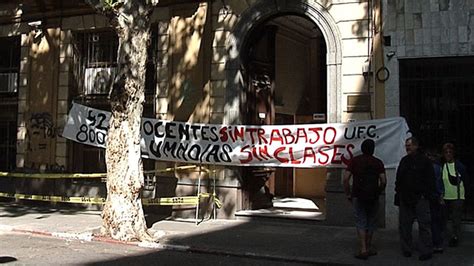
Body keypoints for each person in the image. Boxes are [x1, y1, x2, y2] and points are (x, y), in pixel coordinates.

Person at [343, 139, 386, 260]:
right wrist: (378, 191)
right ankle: (368, 246)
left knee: (361, 221)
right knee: (371, 221)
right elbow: (384, 180)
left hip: (358, 195)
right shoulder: (378, 162)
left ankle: (363, 249)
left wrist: (348, 193)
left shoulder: (355, 161)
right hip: (373, 196)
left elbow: (345, 178)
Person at [395, 137, 436, 261]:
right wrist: (399, 193)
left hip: (420, 198)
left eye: (410, 145)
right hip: (405, 198)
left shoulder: (425, 161)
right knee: (405, 225)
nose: (407, 147)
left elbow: (430, 180)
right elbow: (399, 178)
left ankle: (426, 250)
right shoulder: (404, 161)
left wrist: (427, 195)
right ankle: (407, 248)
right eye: (406, 145)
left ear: (416, 146)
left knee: (424, 225)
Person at [440, 142, 470, 247]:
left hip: (457, 196)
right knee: (444, 218)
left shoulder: (459, 166)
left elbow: (466, 181)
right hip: (446, 196)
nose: (448, 154)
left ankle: (455, 237)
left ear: (453, 153)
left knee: (456, 219)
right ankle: (445, 236)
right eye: (446, 152)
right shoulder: (442, 166)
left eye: (450, 152)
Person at [426, 149, 444, 253]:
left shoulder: (432, 168)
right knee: (437, 220)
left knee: (433, 220)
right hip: (436, 196)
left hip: (432, 196)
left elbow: (437, 183)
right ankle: (438, 243)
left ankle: (436, 243)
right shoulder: (439, 167)